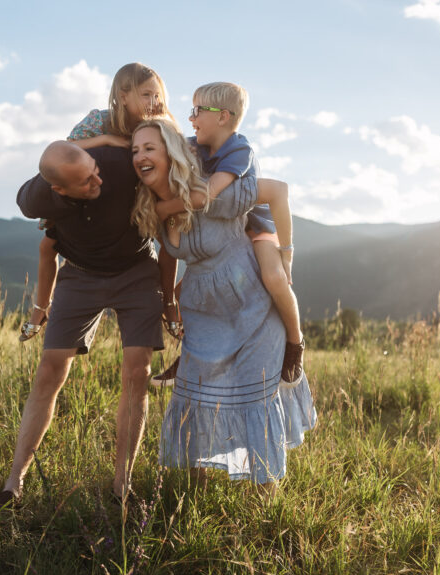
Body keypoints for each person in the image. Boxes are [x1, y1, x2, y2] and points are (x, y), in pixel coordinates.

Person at [130, 118, 316, 493]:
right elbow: (168, 257)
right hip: (204, 313)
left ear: (171, 154)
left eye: (150, 149)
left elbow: (277, 191)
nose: (140, 157)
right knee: (192, 398)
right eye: (135, 151)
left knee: (256, 402)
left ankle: (268, 510)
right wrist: (168, 303)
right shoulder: (150, 202)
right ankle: (188, 500)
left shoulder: (215, 194)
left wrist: (286, 253)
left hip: (253, 310)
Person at [0, 140, 175, 508]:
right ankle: (13, 483)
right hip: (80, 276)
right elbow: (46, 249)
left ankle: (121, 487)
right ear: (60, 191)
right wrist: (39, 309)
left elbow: (168, 234)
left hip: (137, 271)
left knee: (137, 369)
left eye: (95, 171)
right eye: (87, 182)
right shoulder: (41, 199)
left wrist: (170, 301)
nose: (98, 182)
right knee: (49, 369)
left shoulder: (116, 164)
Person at [149, 82, 305, 389]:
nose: (191, 118)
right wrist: (158, 116)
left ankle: (294, 343)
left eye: (197, 111)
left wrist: (286, 250)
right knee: (187, 294)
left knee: (275, 278)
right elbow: (174, 141)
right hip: (221, 233)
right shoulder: (199, 144)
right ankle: (191, 359)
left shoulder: (239, 151)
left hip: (253, 229)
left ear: (222, 117)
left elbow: (208, 194)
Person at [18, 62, 176, 342]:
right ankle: (40, 309)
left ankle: (169, 304)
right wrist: (106, 140)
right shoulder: (99, 121)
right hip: (86, 195)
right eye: (146, 94)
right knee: (48, 245)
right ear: (123, 95)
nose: (154, 102)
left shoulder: (160, 127)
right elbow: (63, 150)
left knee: (171, 243)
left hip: (133, 201)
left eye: (157, 95)